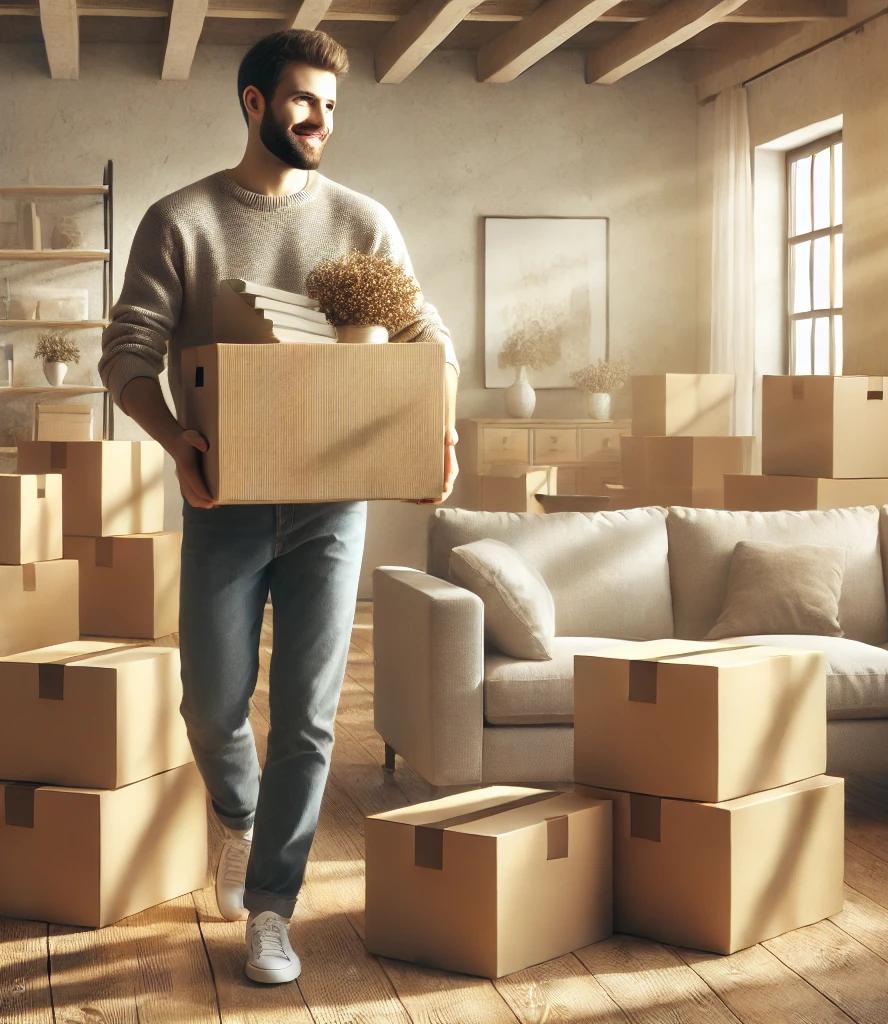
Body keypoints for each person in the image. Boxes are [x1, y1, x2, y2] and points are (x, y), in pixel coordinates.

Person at [98, 28, 460, 985]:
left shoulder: (363, 223)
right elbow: (127, 354)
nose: (321, 120)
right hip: (224, 500)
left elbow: (430, 342)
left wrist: (441, 434)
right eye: (303, 100)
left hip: (331, 509)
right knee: (212, 707)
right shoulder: (183, 221)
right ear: (254, 103)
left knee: (307, 719)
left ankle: (272, 906)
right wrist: (180, 444)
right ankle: (239, 818)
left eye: (332, 106)